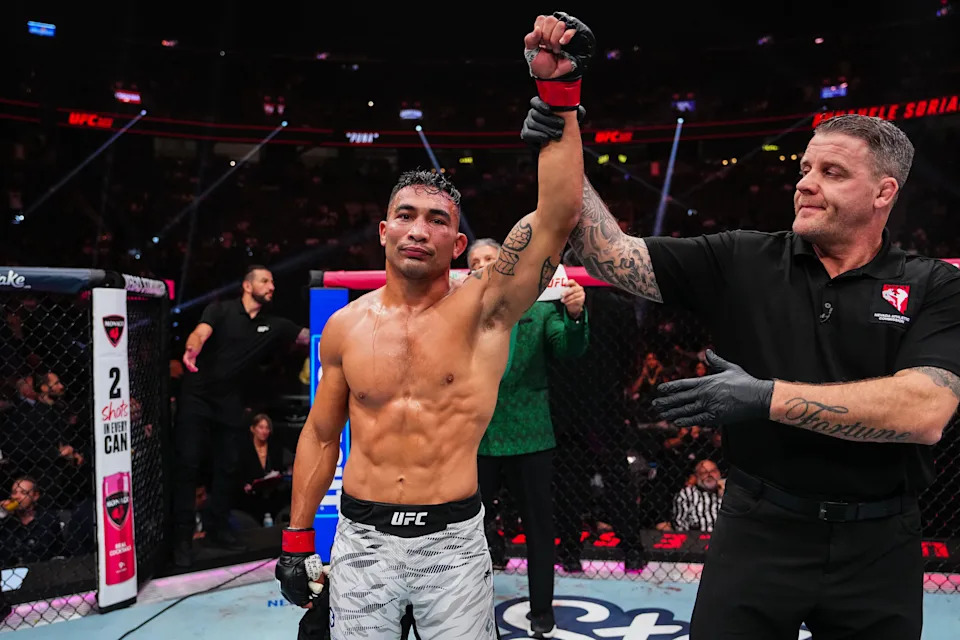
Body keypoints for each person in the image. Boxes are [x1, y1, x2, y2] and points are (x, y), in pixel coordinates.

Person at [521, 104, 960, 639]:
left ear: (884, 192)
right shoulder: (745, 257)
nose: (806, 184)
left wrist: (764, 398)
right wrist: (561, 140)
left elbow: (925, 411)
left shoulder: (932, 284)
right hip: (758, 529)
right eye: (805, 169)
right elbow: (608, 255)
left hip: (879, 543)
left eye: (832, 172)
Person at [276, 13, 594, 639]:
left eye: (436, 219)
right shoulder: (345, 327)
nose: (418, 229)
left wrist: (560, 97)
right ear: (384, 231)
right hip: (362, 539)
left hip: (452, 543)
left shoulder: (485, 310)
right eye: (405, 215)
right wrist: (295, 537)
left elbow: (557, 216)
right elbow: (320, 434)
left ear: (457, 243)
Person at [467, 238, 589, 633]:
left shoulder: (538, 305)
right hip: (478, 435)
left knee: (538, 527)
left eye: (490, 259)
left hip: (530, 434)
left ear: (505, 263)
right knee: (468, 529)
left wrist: (575, 315)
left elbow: (567, 348)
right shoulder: (460, 311)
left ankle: (542, 611)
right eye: (475, 261)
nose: (482, 266)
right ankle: (467, 607)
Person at [173, 265, 308, 567]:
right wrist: (192, 348)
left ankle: (218, 530)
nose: (271, 286)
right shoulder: (220, 310)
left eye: (273, 281)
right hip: (198, 397)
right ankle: (181, 538)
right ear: (247, 286)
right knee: (188, 464)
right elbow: (200, 332)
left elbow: (309, 337)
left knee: (228, 466)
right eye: (265, 281)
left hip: (231, 402)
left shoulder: (274, 324)